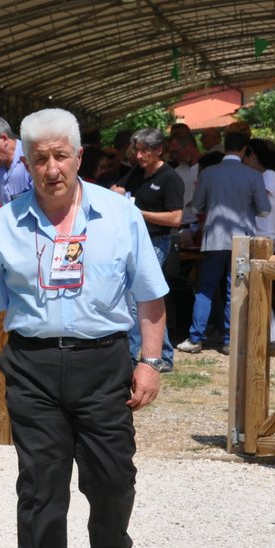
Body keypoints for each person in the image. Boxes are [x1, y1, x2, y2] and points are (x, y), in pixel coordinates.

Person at [0, 109, 168, 548]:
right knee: (40, 488)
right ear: (26, 163)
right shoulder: (4, 224)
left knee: (113, 479)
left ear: (78, 157)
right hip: (31, 368)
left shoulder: (119, 215)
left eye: (60, 156)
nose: (51, 168)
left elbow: (150, 293)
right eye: (40, 158)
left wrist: (148, 361)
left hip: (102, 364)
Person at [176, 129, 270, 354]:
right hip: (243, 244)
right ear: (245, 149)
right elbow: (265, 212)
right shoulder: (254, 175)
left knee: (206, 289)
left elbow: (196, 207)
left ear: (224, 145)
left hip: (214, 241)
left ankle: (196, 338)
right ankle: (232, 340)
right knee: (237, 288)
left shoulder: (208, 173)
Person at [118, 127, 184, 370]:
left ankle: (134, 355)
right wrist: (117, 193)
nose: (139, 155)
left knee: (140, 298)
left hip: (157, 241)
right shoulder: (138, 172)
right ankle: (164, 354)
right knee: (149, 298)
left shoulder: (170, 178)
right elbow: (119, 189)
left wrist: (140, 214)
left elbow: (176, 218)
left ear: (159, 150)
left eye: (145, 151)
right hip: (134, 241)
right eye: (137, 150)